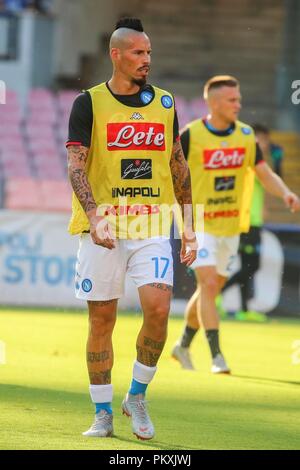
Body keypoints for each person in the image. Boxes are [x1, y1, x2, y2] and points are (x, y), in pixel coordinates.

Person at [66, 17, 197, 440]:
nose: (146, 60)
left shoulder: (164, 104)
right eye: (139, 53)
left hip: (152, 225)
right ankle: (102, 412)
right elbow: (76, 165)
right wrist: (95, 215)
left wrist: (189, 227)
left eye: (149, 53)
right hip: (102, 229)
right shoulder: (88, 103)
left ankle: (137, 396)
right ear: (116, 55)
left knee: (158, 312)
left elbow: (178, 164)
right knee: (102, 322)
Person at [171, 75, 300, 372]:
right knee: (208, 283)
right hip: (200, 223)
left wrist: (286, 193)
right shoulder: (190, 136)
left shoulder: (245, 136)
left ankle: (182, 344)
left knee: (210, 289)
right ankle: (217, 356)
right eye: (232, 100)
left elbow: (264, 173)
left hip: (230, 226)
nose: (238, 104)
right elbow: (173, 173)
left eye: (238, 99)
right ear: (214, 103)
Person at [221, 124, 284, 321]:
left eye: (264, 139)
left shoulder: (259, 162)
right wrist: (277, 161)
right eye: (258, 139)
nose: (261, 143)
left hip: (252, 220)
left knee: (248, 266)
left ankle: (244, 309)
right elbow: (272, 179)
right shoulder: (249, 161)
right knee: (251, 266)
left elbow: (270, 183)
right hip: (245, 221)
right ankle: (216, 290)